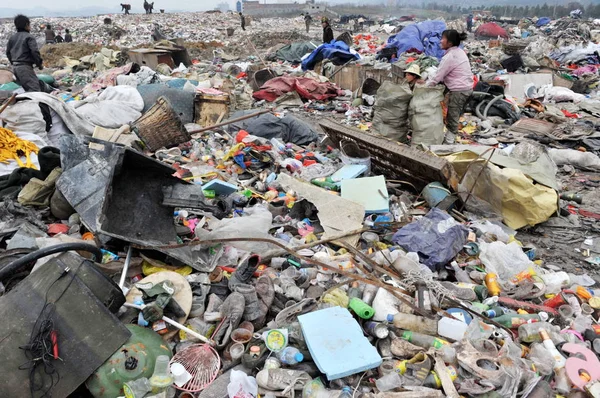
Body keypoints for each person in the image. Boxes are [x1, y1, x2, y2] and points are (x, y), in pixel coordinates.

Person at [429, 29, 473, 144]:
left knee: (452, 115)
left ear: (450, 43)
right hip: (466, 88)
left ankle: (449, 142)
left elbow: (438, 76)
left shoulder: (450, 56)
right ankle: (449, 137)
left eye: (443, 38)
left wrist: (425, 87)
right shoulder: (459, 51)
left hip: (459, 90)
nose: (440, 41)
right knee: (453, 113)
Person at [6, 14, 44, 92]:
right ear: (26, 25)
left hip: (15, 68)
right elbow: (34, 52)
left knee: (27, 90)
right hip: (25, 67)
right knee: (35, 91)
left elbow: (8, 53)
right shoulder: (29, 37)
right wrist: (39, 64)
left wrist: (13, 63)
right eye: (29, 24)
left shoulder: (12, 38)